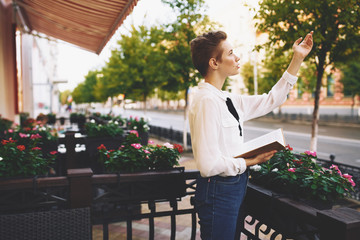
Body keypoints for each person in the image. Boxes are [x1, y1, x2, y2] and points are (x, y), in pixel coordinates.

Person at [189, 30, 313, 240]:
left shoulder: (226, 99)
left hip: (233, 187)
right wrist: (251, 160)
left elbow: (271, 99)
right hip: (218, 190)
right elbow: (208, 165)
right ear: (214, 63)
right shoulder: (206, 101)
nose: (237, 57)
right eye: (230, 53)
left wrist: (297, 58)